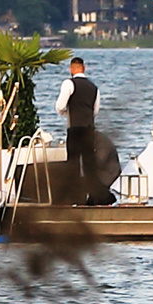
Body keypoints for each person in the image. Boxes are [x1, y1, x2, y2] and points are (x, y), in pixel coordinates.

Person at [55, 56, 110, 204]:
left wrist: (66, 112)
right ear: (84, 68)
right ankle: (95, 197)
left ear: (71, 69)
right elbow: (95, 111)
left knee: (72, 163)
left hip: (75, 129)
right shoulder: (94, 88)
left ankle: (73, 197)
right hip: (89, 129)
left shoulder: (69, 83)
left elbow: (60, 105)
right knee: (89, 164)